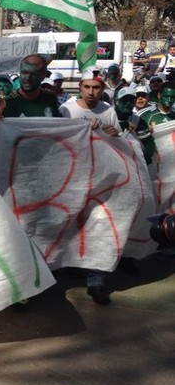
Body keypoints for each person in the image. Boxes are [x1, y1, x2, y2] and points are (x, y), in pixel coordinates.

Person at [60, 70, 120, 305]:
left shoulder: (108, 111)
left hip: (101, 180)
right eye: (87, 87)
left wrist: (115, 135)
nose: (91, 92)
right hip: (72, 179)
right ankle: (73, 265)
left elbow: (120, 143)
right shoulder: (67, 110)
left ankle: (96, 282)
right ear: (80, 87)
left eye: (96, 88)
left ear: (102, 89)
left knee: (99, 228)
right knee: (72, 225)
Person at [114, 87, 155, 166]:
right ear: (117, 101)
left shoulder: (137, 120)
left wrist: (144, 159)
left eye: (131, 100)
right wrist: (123, 125)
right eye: (124, 100)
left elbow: (149, 143)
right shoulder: (108, 115)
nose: (128, 103)